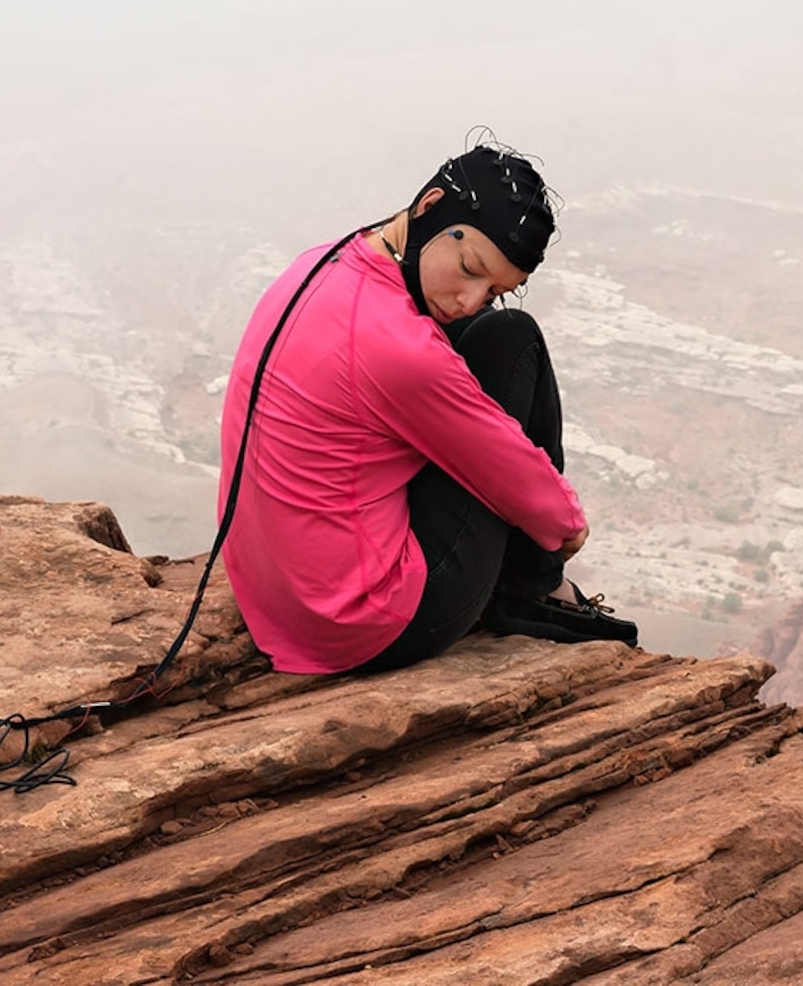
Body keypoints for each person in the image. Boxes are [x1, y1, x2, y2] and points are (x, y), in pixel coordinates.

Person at [214, 143, 638, 675]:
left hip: (272, 600)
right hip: (361, 625)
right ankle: (536, 587)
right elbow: (509, 470)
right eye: (469, 268)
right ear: (431, 205)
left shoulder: (321, 261)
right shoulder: (400, 350)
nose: (469, 298)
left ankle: (532, 583)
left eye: (495, 291)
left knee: (482, 331)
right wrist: (566, 526)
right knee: (514, 337)